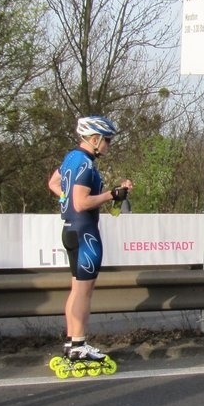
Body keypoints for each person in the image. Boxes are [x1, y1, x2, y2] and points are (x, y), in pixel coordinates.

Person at [49, 115, 133, 365]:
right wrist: (111, 195)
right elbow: (81, 202)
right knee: (84, 293)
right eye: (107, 140)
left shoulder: (71, 158)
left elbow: (53, 183)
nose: (109, 145)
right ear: (94, 139)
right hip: (85, 232)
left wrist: (65, 198)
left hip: (71, 229)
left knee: (76, 290)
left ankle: (72, 341)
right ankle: (79, 345)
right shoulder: (85, 164)